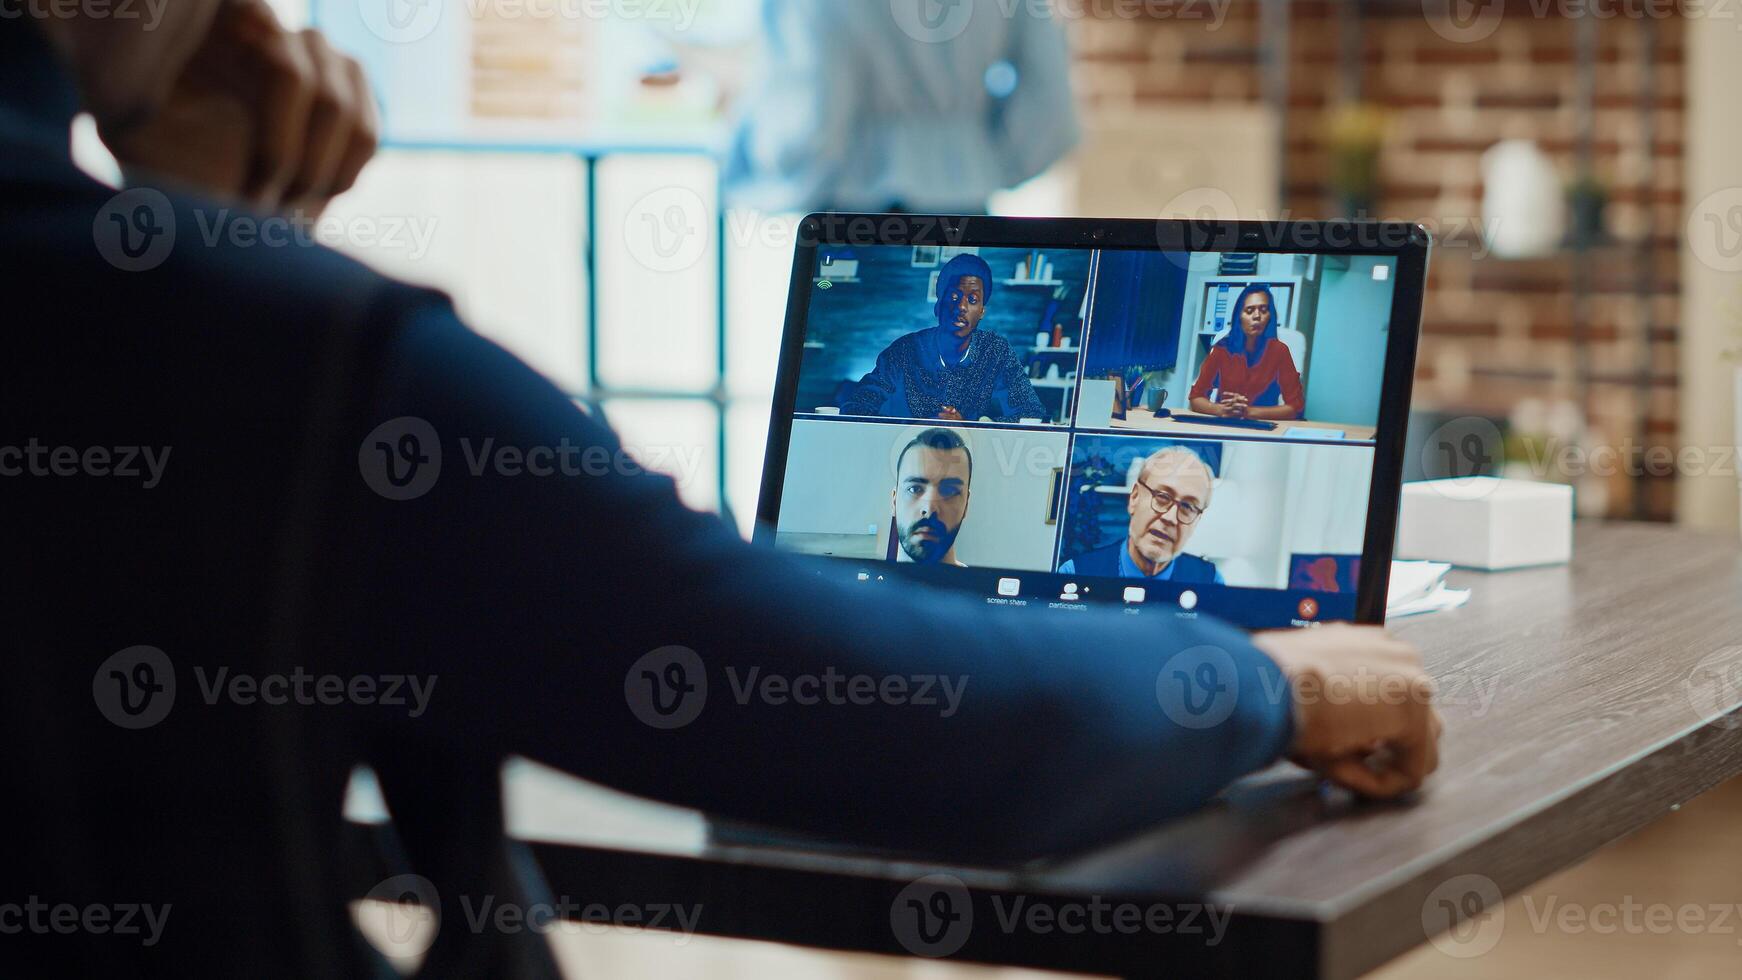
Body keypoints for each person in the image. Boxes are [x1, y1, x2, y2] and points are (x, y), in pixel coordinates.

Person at [4, 6, 1439, 977]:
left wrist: (196, 249)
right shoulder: (309, 364)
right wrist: (1267, 686)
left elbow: (796, 139)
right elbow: (870, 715)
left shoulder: (217, 342)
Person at [724, 0, 1080, 214]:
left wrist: (744, 157)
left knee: (841, 334)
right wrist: (979, 161)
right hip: (965, 205)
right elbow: (1052, 109)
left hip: (852, 209)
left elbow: (809, 122)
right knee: (968, 335)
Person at [841, 253, 1047, 423]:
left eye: (973, 299)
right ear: (938, 305)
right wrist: (920, 425)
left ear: (982, 311)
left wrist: (970, 426)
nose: (962, 307)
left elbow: (1032, 413)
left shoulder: (996, 351)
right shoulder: (905, 350)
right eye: (954, 297)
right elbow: (857, 405)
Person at [1060, 447, 1225, 584]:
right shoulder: (1075, 574)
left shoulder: (1212, 582)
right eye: (1162, 497)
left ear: (1197, 520)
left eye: (1188, 507)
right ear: (1134, 498)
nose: (1170, 518)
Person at [1189, 284, 1305, 421]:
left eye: (1263, 310)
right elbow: (1196, 398)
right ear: (1239, 316)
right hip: (1224, 425)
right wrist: (1222, 410)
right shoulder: (1222, 349)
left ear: (1270, 316)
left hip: (1262, 430)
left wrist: (1248, 412)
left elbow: (1296, 408)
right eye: (1249, 310)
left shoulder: (1280, 351)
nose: (1257, 316)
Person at [891, 428, 973, 566]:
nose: (929, 509)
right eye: (914, 489)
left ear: (966, 504)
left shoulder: (981, 587)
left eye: (949, 491)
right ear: (894, 501)